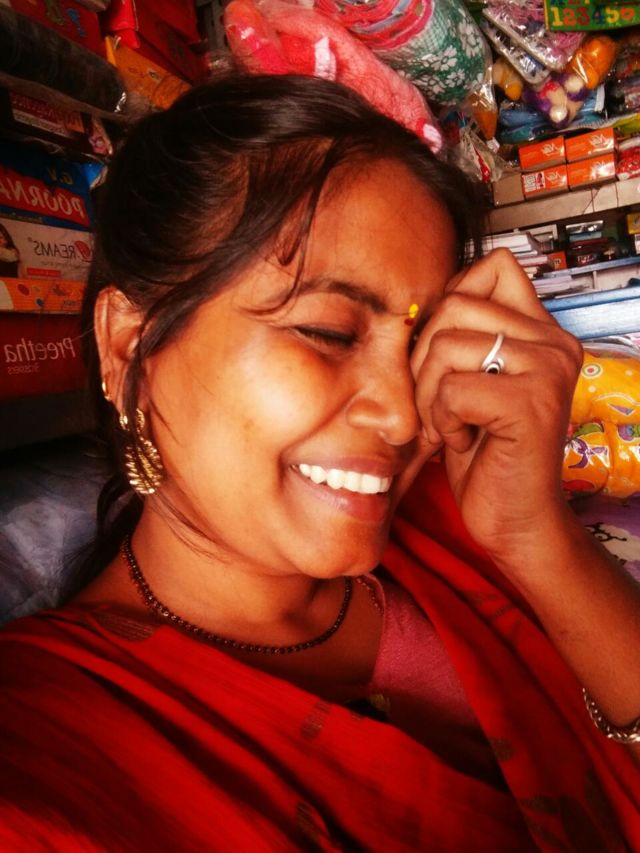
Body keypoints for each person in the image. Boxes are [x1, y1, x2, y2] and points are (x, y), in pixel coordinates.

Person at [0, 73, 638, 851]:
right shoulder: (47, 754)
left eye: (421, 342)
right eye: (329, 332)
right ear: (130, 346)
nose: (405, 416)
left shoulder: (462, 515)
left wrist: (539, 538)